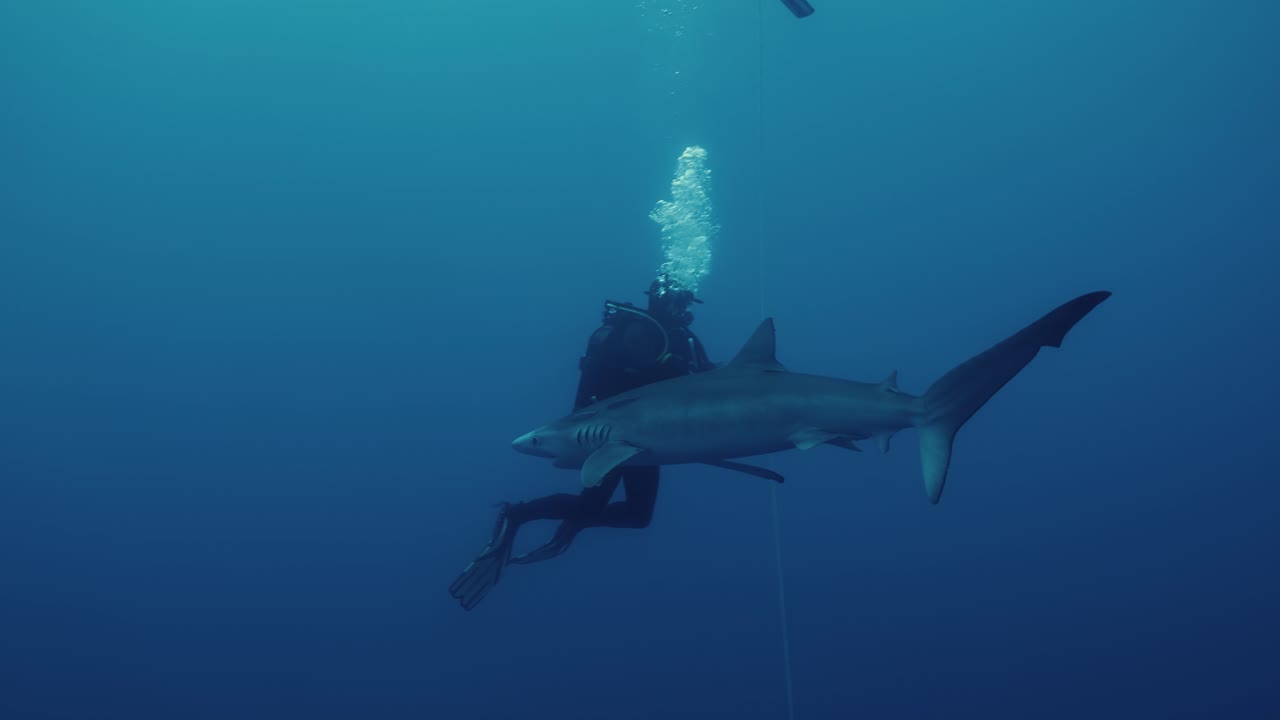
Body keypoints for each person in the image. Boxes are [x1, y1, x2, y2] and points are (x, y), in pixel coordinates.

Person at [448, 273, 715, 611]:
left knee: (638, 516)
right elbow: (645, 380)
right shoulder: (642, 334)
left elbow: (702, 379)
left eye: (685, 302)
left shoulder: (681, 338)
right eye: (678, 302)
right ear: (661, 299)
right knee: (592, 504)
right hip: (613, 435)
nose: (683, 309)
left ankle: (575, 522)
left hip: (649, 439)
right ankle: (517, 514)